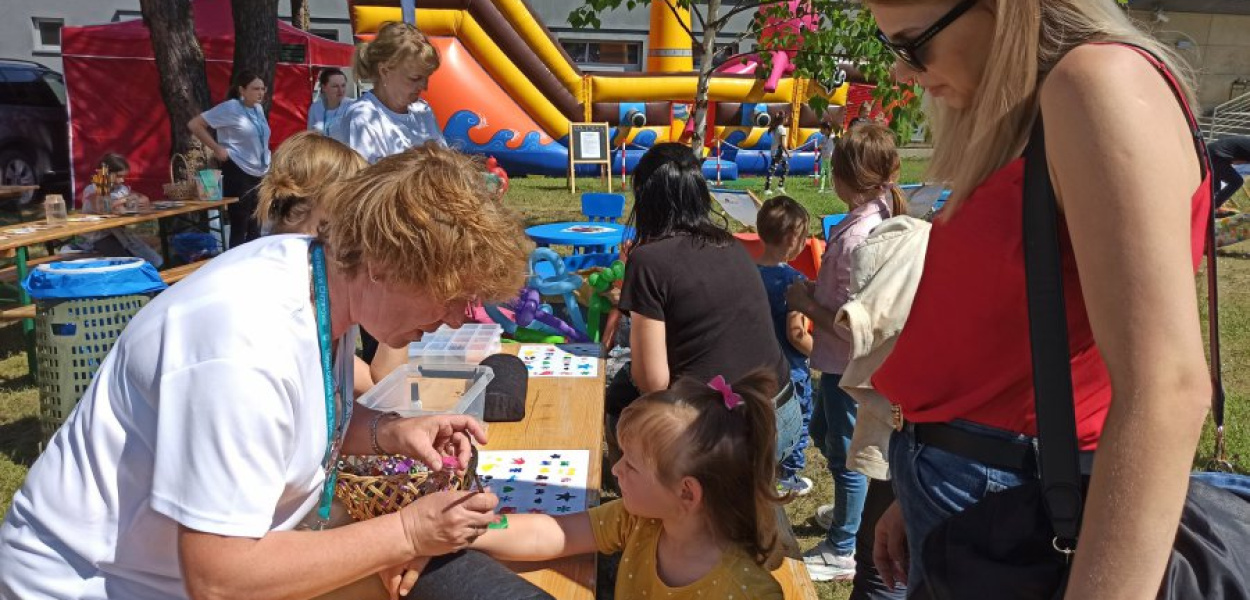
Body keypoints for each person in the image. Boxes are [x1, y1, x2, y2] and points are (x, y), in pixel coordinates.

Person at [0, 144, 534, 599]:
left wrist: (388, 430)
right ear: (384, 264)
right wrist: (409, 532)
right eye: (455, 294)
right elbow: (220, 578)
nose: (463, 315)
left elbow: (295, 419)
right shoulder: (240, 343)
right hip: (98, 584)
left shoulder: (319, 275)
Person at [865, 0, 1214, 597]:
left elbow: (1167, 389)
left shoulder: (1095, 82)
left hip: (1019, 500)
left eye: (913, 44)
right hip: (979, 489)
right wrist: (923, 469)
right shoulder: (1049, 105)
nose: (901, 72)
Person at [469, 371, 787, 600]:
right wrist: (471, 529)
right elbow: (552, 533)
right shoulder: (638, 519)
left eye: (631, 464)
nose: (616, 469)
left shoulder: (748, 592)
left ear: (687, 493)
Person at [610, 143, 795, 468]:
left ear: (646, 199)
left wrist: (636, 278)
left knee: (619, 400)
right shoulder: (731, 244)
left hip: (722, 433)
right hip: (781, 414)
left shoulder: (648, 260)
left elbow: (651, 381)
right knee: (751, 511)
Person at [786, 122, 908, 583]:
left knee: (848, 455)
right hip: (836, 363)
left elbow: (850, 316)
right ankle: (848, 510)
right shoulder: (864, 221)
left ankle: (843, 547)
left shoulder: (860, 236)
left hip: (847, 365)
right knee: (824, 433)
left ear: (842, 177)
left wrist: (805, 305)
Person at [255, 131, 412, 394]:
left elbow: (380, 385)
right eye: (355, 207)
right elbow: (386, 385)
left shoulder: (322, 282)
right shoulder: (282, 297)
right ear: (325, 208)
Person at [753, 195, 815, 496]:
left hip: (755, 368)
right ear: (792, 238)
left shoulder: (747, 274)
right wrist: (822, 354)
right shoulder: (794, 281)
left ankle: (760, 467)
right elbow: (796, 334)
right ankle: (788, 477)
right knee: (797, 422)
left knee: (759, 423)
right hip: (790, 372)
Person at [333, 21, 446, 164]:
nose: (424, 87)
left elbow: (444, 165)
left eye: (426, 78)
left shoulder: (423, 111)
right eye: (415, 78)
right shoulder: (363, 116)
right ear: (385, 71)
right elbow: (366, 181)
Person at [188, 70, 271, 249]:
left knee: (256, 221)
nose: (260, 93)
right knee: (240, 223)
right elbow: (195, 124)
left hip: (259, 170)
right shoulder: (230, 108)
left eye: (263, 89)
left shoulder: (258, 109)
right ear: (242, 90)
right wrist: (216, 148)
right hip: (238, 168)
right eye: (255, 88)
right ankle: (235, 263)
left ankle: (254, 262)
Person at [67, 152, 163, 267]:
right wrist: (124, 200)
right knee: (126, 263)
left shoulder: (120, 189)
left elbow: (139, 197)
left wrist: (143, 199)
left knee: (153, 259)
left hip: (119, 233)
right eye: (118, 176)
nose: (122, 180)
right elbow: (103, 209)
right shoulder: (93, 190)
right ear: (106, 174)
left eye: (123, 177)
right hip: (98, 236)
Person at [308, 67, 355, 137]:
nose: (341, 90)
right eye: (335, 86)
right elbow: (310, 136)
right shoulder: (315, 108)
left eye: (343, 85)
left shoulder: (353, 106)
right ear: (324, 87)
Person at [1209, 135, 1250, 208]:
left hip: (1214, 153)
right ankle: (1212, 208)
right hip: (1217, 156)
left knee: (1215, 187)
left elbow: (1238, 161)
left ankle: (1208, 206)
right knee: (1237, 182)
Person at [764, 112, 790, 195]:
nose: (787, 120)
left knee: (784, 168)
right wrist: (788, 152)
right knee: (773, 169)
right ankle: (767, 188)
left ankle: (780, 186)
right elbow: (782, 144)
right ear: (783, 119)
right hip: (779, 152)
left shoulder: (776, 127)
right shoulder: (782, 129)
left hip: (775, 151)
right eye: (786, 118)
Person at [818, 122, 837, 193]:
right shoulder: (823, 137)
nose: (820, 131)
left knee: (830, 173)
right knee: (822, 172)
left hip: (830, 157)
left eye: (821, 129)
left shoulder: (833, 137)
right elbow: (822, 146)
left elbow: (836, 147)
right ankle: (822, 188)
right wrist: (819, 155)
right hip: (824, 157)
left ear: (826, 129)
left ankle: (832, 187)